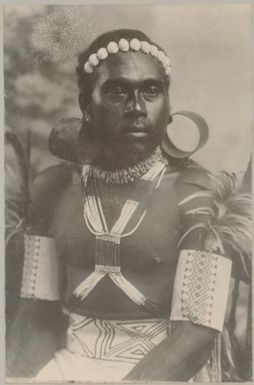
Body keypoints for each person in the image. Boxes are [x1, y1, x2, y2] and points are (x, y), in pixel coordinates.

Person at [7, 29, 236, 382]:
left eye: (151, 90)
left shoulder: (197, 194)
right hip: (66, 365)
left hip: (164, 371)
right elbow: (37, 314)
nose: (137, 109)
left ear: (169, 102)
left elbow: (196, 335)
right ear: (86, 104)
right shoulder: (52, 188)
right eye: (117, 92)